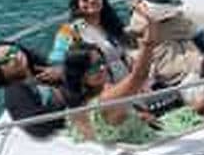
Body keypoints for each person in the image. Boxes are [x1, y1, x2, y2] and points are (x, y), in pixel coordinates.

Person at [62, 14, 165, 143]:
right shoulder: (106, 100)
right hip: (151, 144)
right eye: (93, 68)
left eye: (102, 62)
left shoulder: (73, 107)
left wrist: (136, 116)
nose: (102, 68)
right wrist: (149, 41)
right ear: (79, 75)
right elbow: (139, 77)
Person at [127, 0, 204, 114]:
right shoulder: (161, 14)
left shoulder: (139, 10)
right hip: (179, 69)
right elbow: (189, 29)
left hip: (168, 64)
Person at [0, 43, 86, 138]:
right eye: (6, 60)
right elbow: (40, 128)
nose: (14, 56)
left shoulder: (36, 66)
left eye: (13, 50)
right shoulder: (16, 96)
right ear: (0, 73)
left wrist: (63, 72)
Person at [49, 0, 131, 82]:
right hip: (102, 86)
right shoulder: (69, 30)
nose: (91, 0)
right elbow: (57, 56)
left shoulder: (111, 24)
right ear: (77, 4)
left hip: (126, 78)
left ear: (102, 0)